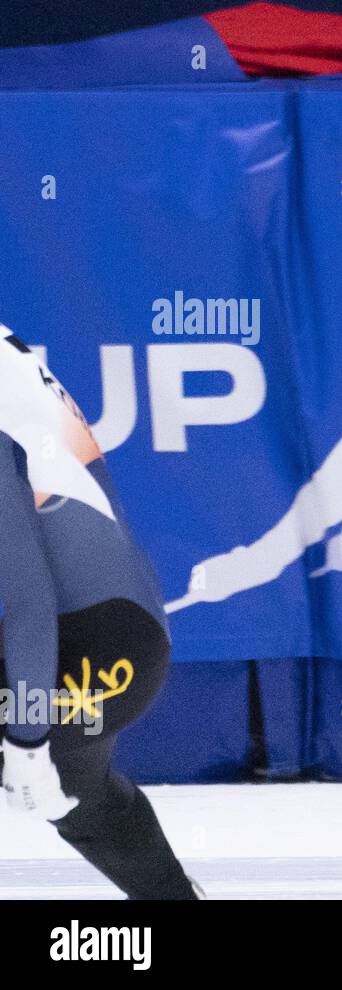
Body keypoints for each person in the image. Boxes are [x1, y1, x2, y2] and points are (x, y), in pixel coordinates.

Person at [0, 325, 197, 899]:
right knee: (87, 804)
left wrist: (29, 741)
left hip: (82, 645)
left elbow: (24, 598)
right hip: (126, 635)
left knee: (73, 790)